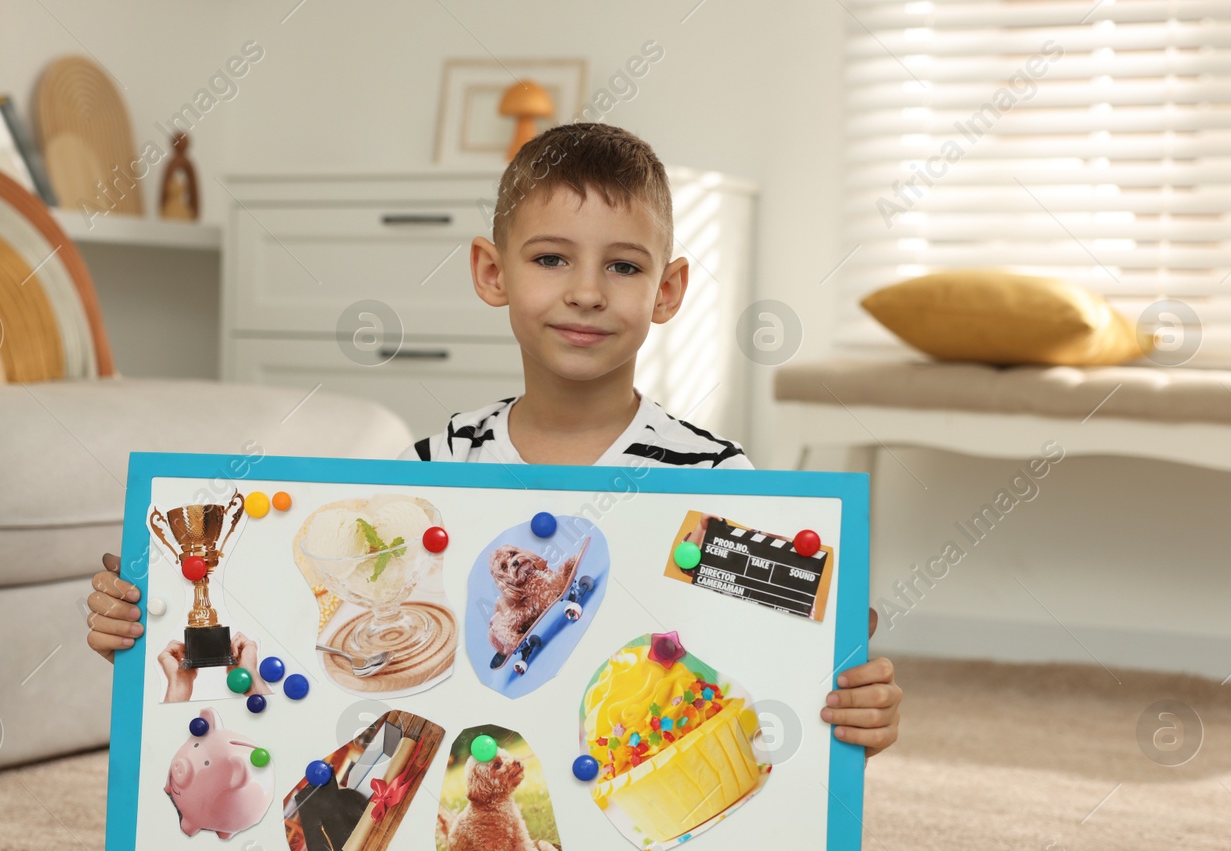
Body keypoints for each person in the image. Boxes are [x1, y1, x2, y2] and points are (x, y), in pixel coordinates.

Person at [85, 122, 901, 757]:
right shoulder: (433, 471)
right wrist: (156, 613)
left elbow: (794, 648)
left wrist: (853, 693)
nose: (585, 292)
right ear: (491, 272)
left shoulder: (717, 480)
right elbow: (316, 624)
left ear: (669, 289)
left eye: (623, 267)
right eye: (551, 258)